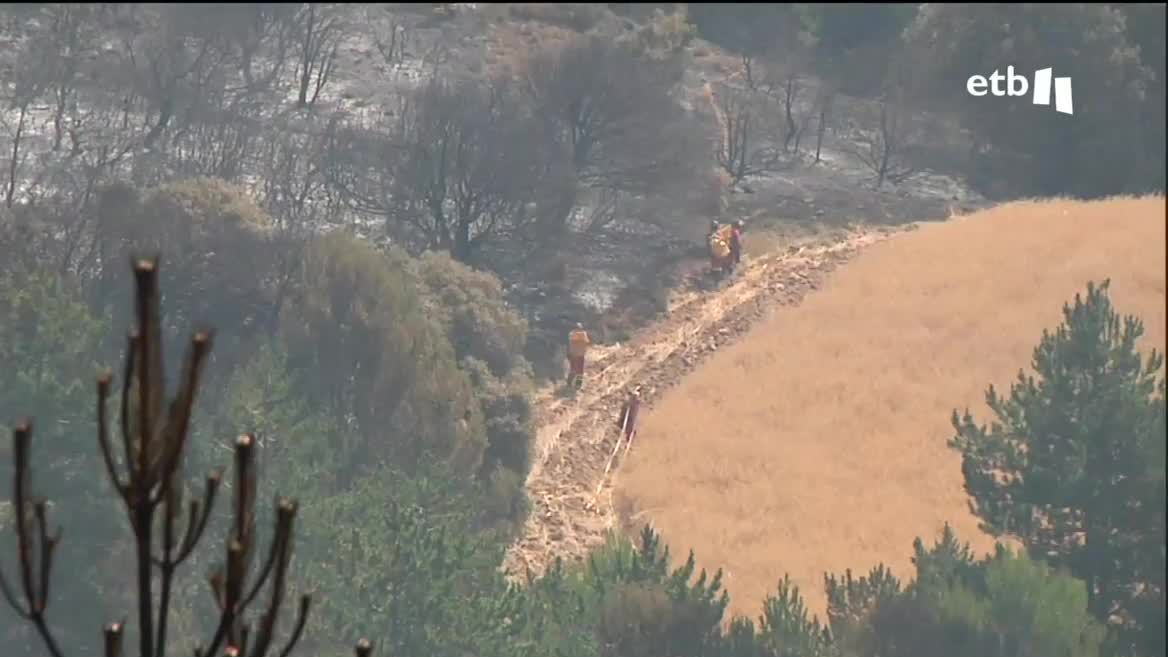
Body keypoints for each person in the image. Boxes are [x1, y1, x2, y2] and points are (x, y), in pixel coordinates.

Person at [567, 322, 591, 389]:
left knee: (573, 369)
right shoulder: (583, 334)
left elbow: (570, 343)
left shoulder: (571, 334)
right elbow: (587, 342)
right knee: (580, 371)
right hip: (580, 355)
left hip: (573, 354)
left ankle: (569, 382)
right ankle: (578, 385)